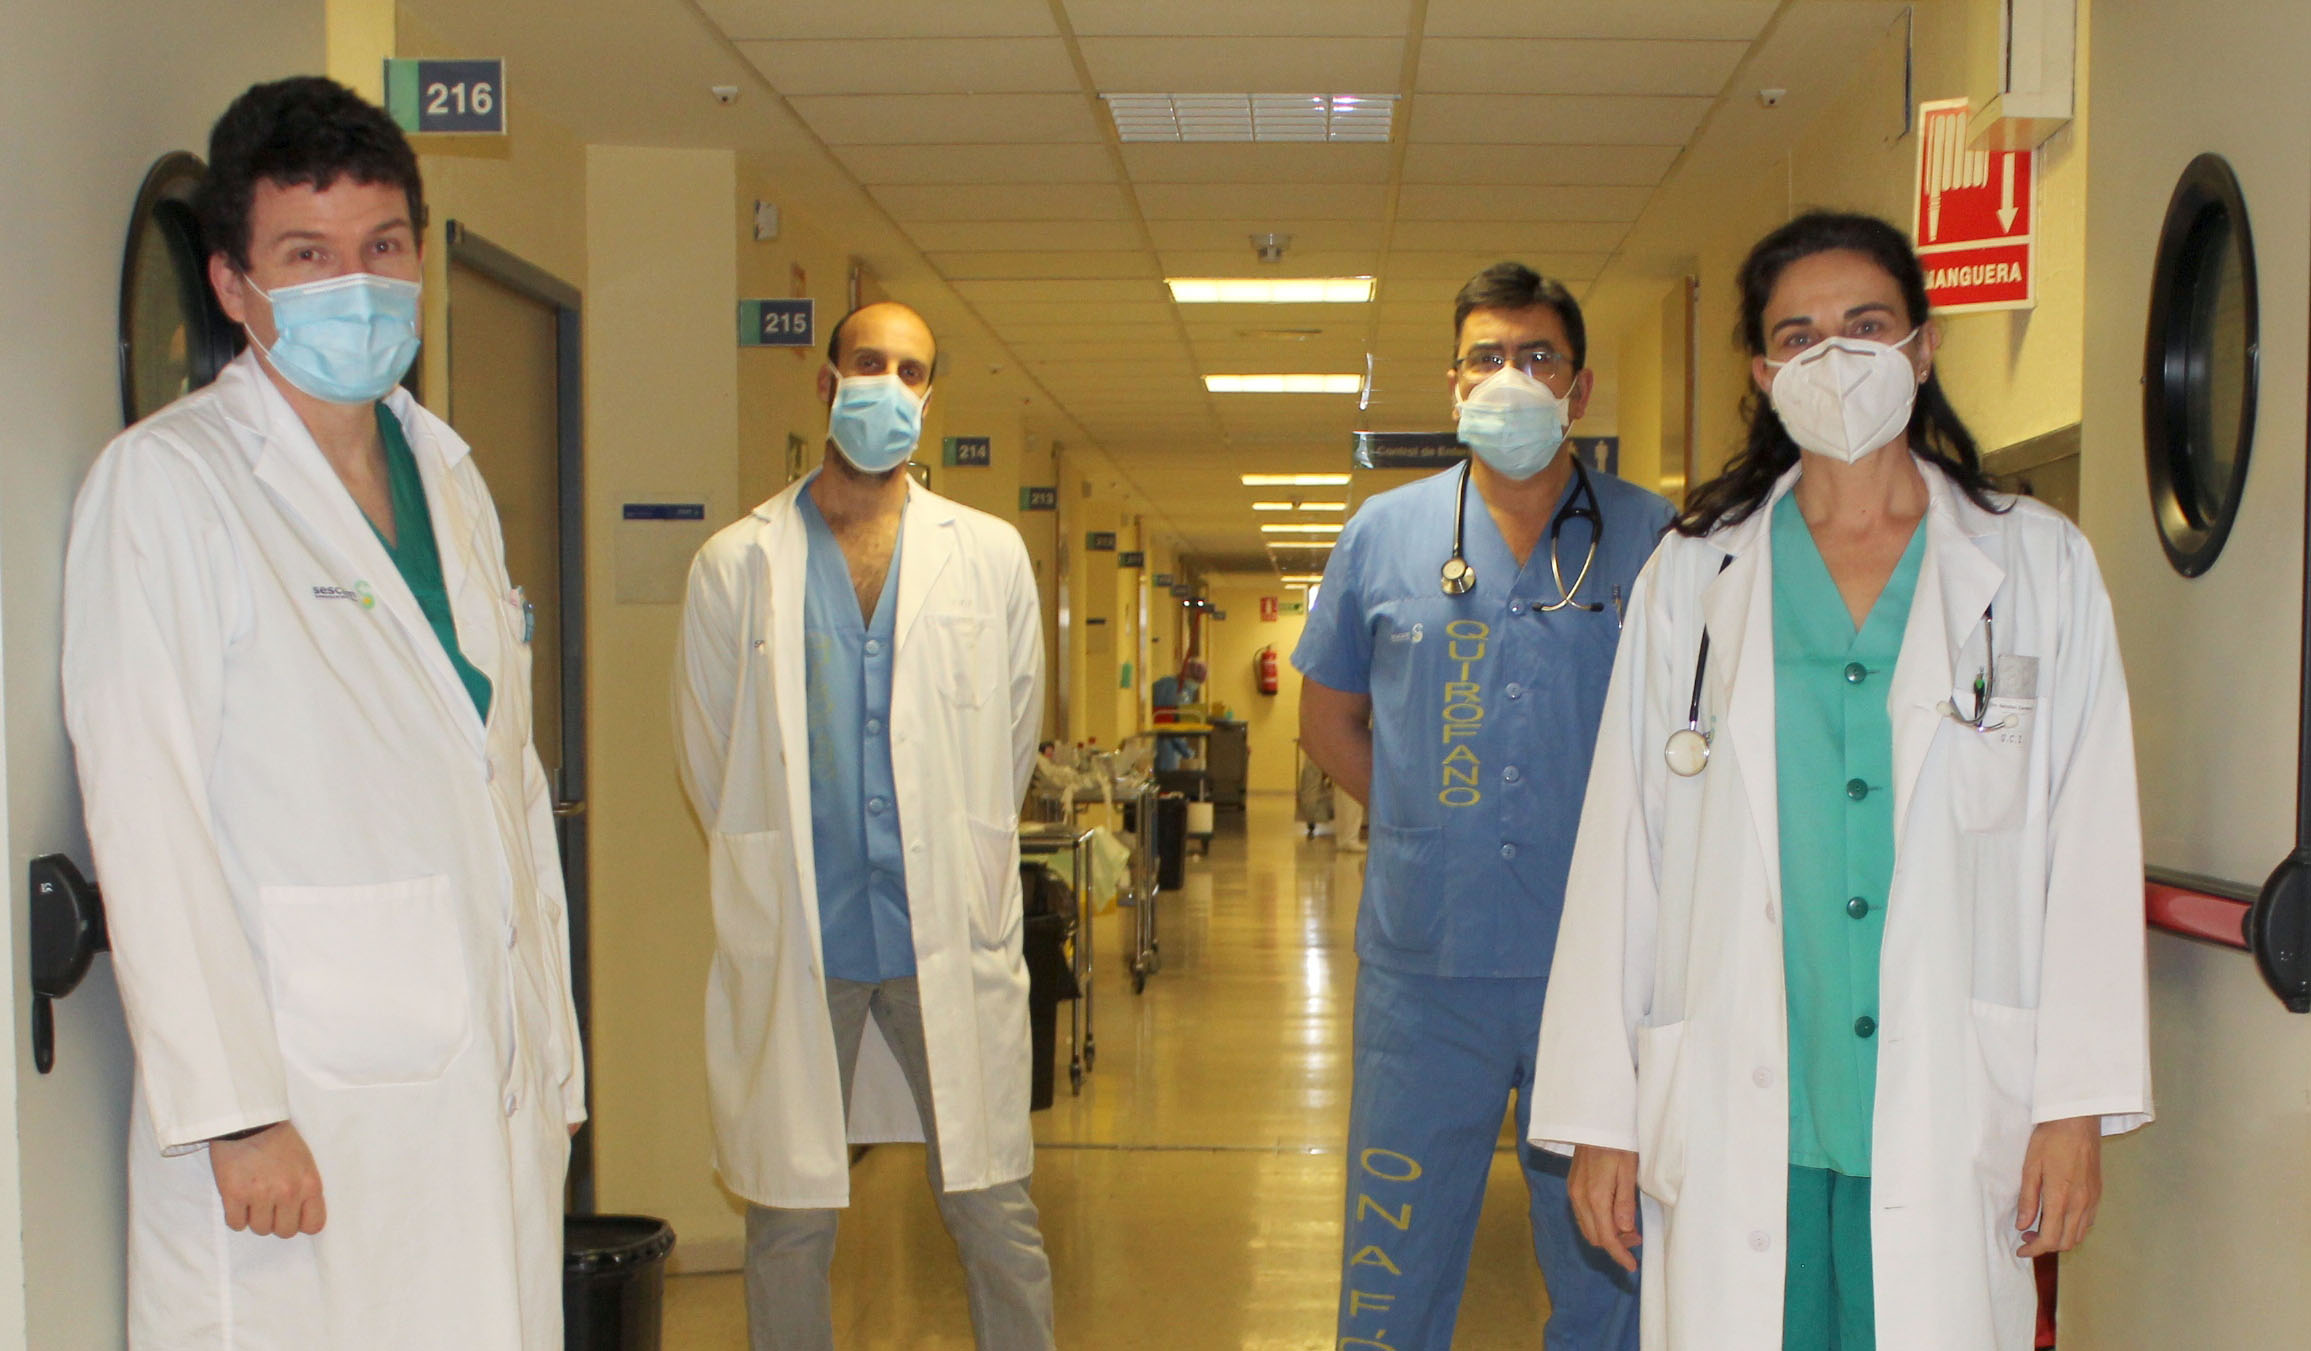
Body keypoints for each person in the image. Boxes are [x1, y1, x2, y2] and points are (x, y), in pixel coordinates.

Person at [1530, 212, 2150, 1351]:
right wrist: (1598, 1113)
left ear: (1920, 348)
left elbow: (2089, 843)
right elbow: (1624, 843)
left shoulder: (2033, 564)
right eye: (1799, 336)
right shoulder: (1695, 571)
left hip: (1953, 1097)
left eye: (1864, 326)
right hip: (1735, 1100)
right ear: (1764, 376)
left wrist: (2073, 1106)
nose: (1836, 357)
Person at [61, 77, 583, 1348]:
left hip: (482, 1081)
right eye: (308, 255)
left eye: (383, 249)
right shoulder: (170, 485)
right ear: (234, 284)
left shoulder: (447, 477)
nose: (358, 285)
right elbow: (147, 808)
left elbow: (498, 777)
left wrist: (554, 1052)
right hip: (302, 1103)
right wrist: (237, 1111)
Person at [1297, 262, 1673, 1350]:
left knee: (1614, 1257)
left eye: (1537, 356)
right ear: (1452, 383)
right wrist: (1423, 816)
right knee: (1393, 1260)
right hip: (1427, 973)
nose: (1511, 376)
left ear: (1581, 388)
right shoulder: (1383, 533)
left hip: (1598, 971)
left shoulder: (1658, 540)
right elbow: (1329, 727)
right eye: (1486, 357)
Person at [674, 301, 1055, 1351]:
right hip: (808, 936)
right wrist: (775, 864)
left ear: (930, 397)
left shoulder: (987, 556)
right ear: (827, 380)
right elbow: (713, 758)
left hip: (945, 937)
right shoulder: (734, 564)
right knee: (788, 1218)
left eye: (910, 369)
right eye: (867, 362)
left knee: (991, 1208)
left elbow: (1012, 737)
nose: (886, 384)